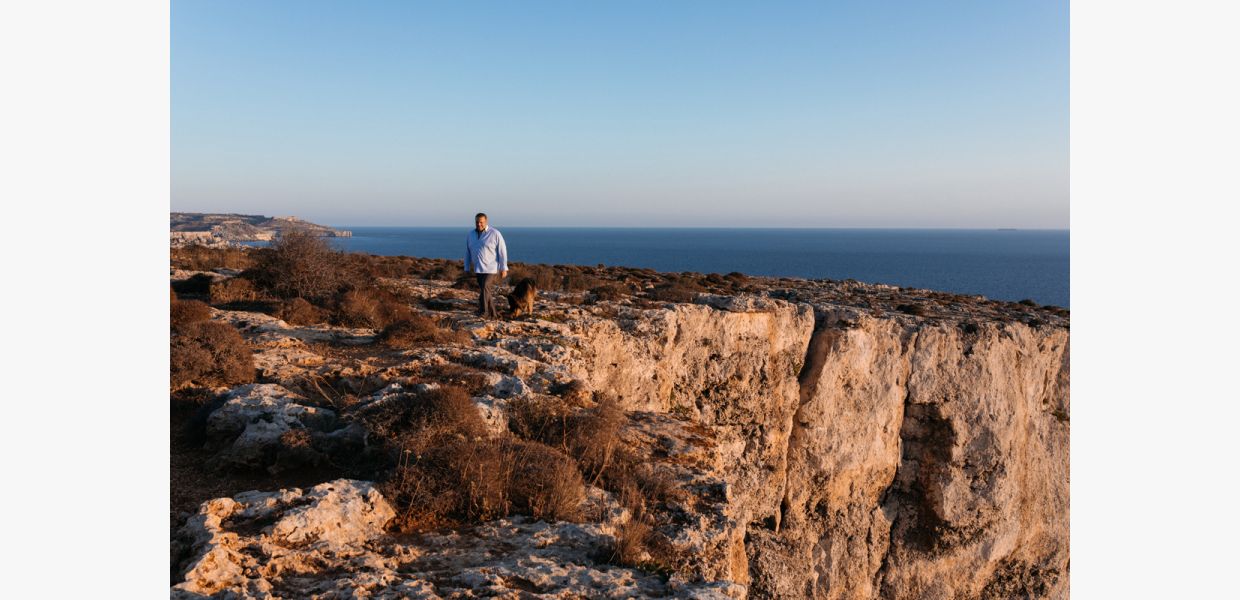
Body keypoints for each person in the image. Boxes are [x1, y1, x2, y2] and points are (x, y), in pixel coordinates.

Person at [464, 212, 509, 319]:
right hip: (478, 268)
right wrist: (466, 267)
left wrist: (504, 268)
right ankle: (494, 314)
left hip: (491, 268)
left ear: (486, 222)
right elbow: (467, 251)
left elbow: (502, 251)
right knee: (486, 290)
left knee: (485, 287)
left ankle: (484, 312)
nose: (479, 224)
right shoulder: (471, 234)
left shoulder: (495, 233)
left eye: (481, 222)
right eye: (477, 222)